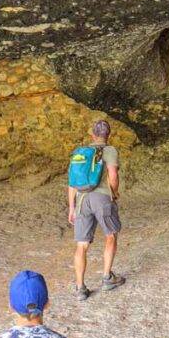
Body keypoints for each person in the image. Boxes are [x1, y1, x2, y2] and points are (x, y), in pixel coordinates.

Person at [68, 119, 126, 300]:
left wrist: (72, 207)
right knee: (111, 235)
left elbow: (72, 182)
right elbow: (113, 174)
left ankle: (80, 287)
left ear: (92, 135)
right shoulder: (109, 151)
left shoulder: (81, 153)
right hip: (102, 197)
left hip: (82, 199)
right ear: (109, 135)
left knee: (81, 244)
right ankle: (107, 277)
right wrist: (114, 192)